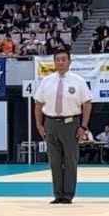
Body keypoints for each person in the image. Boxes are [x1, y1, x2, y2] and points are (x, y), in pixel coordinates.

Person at [33, 47, 92, 205]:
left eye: (63, 59)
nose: (60, 62)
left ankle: (68, 195)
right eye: (57, 60)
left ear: (70, 61)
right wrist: (39, 125)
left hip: (70, 123)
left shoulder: (78, 81)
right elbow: (38, 104)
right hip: (51, 123)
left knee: (70, 160)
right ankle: (58, 194)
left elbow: (87, 104)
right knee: (55, 161)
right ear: (54, 62)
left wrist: (83, 126)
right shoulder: (47, 81)